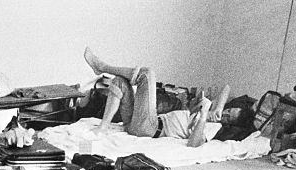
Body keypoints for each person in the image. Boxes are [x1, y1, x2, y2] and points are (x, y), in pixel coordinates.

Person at [83, 47, 231, 148]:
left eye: (228, 117)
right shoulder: (207, 113)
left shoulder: (213, 127)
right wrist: (218, 108)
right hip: (136, 123)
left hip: (150, 128)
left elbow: (194, 144)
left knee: (147, 74)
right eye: (228, 112)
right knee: (119, 82)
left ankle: (102, 67)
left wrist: (205, 115)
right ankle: (102, 127)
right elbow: (227, 88)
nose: (224, 115)